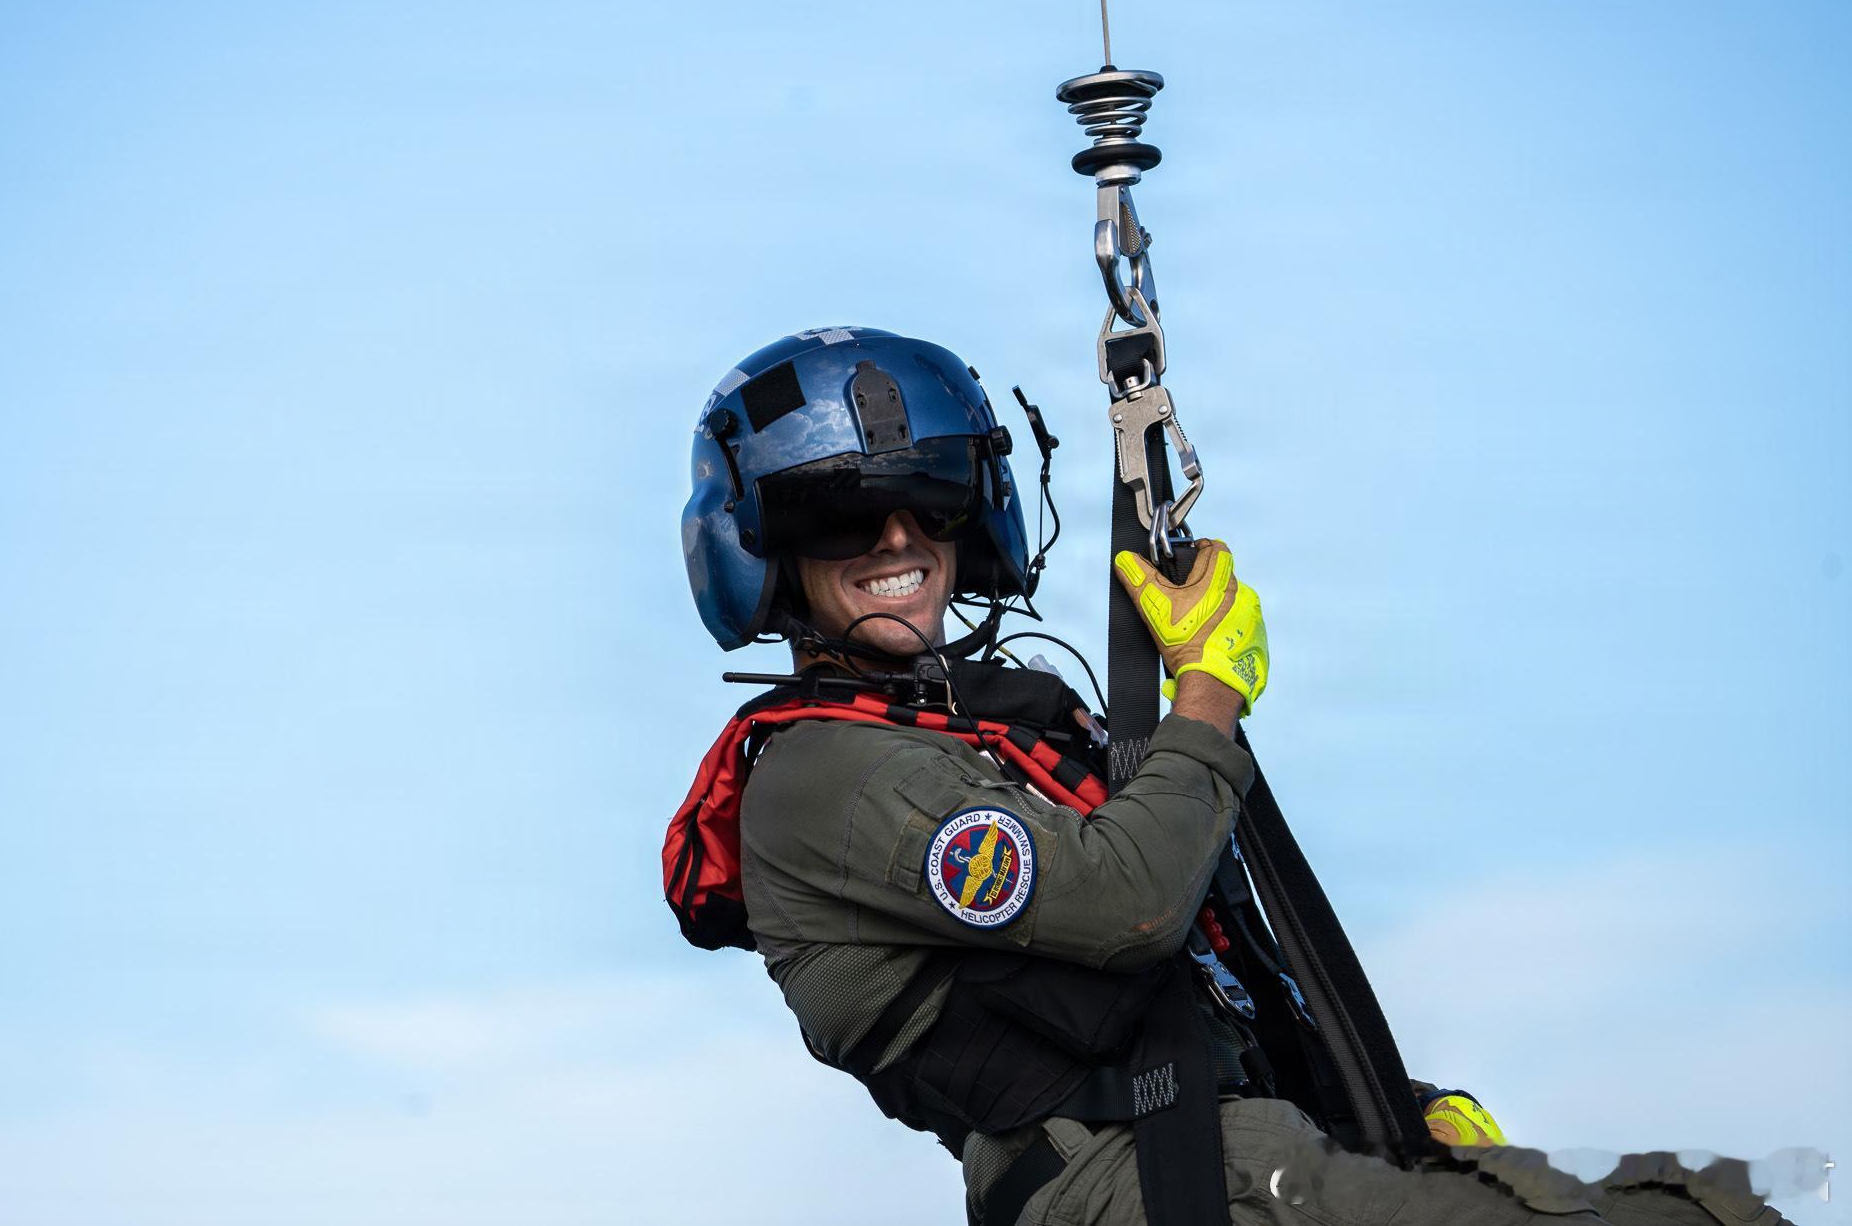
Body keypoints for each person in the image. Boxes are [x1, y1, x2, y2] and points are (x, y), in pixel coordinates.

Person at [665, 327, 1782, 1226]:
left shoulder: (1004, 733)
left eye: (930, 496)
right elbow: (1127, 904)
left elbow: (1211, 968)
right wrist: (1206, 689)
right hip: (1137, 1181)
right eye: (842, 514)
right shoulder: (822, 774)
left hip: (1241, 1142)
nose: (897, 536)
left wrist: (1386, 1107)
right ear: (763, 554)